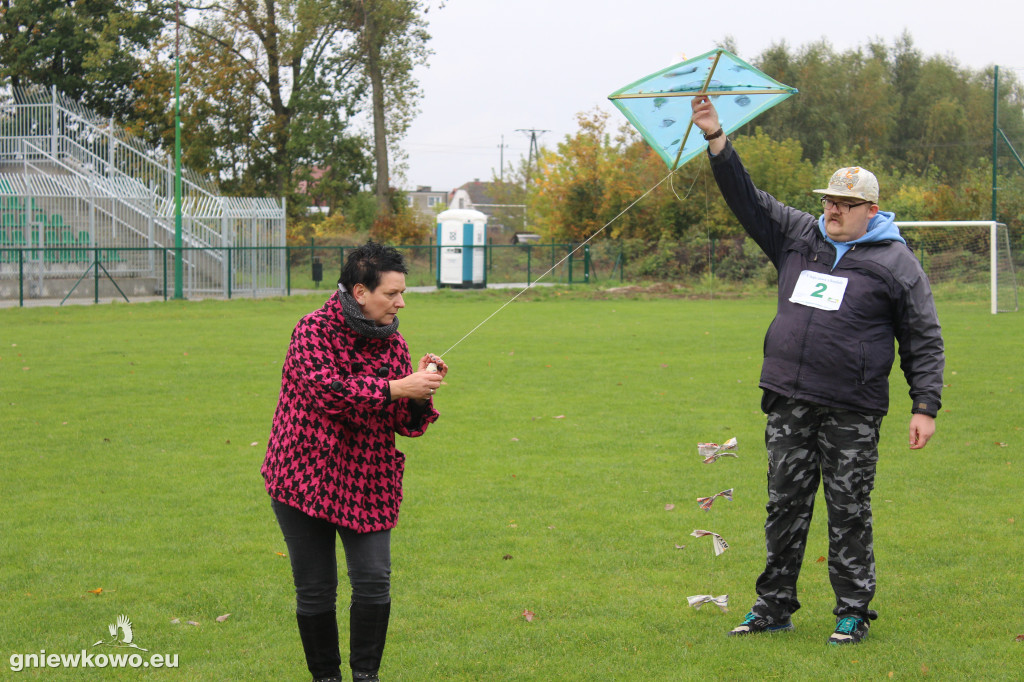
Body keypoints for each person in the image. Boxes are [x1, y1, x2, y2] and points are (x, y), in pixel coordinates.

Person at [690, 96, 944, 645]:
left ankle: (852, 611)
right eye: (829, 200)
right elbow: (748, 200)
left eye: (845, 204)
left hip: (852, 407)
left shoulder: (896, 264)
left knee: (848, 509)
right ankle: (773, 606)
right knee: (784, 505)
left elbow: (922, 336)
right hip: (789, 399)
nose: (832, 210)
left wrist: (925, 404)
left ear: (870, 210)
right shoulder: (798, 235)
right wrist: (717, 140)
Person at [262, 241, 448, 681]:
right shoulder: (311, 331)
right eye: (391, 294)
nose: (400, 302)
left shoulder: (394, 344)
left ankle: (366, 677)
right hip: (302, 480)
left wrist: (420, 394)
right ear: (360, 292)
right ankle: (326, 678)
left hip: (369, 479)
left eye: (403, 293)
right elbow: (331, 394)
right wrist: (398, 388)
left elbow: (404, 423)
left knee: (373, 581)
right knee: (315, 590)